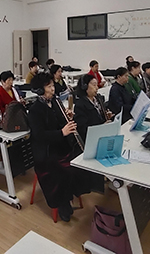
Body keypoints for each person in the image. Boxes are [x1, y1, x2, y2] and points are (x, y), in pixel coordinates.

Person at [27, 72, 92, 222]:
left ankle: (73, 192)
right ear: (40, 90)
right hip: (46, 152)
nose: (53, 89)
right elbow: (40, 135)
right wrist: (62, 132)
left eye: (52, 85)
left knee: (79, 163)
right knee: (64, 170)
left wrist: (67, 117)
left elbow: (59, 123)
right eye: (49, 86)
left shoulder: (55, 102)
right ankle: (63, 202)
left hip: (59, 146)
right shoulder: (35, 110)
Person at [74, 74, 112, 142]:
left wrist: (106, 117)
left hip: (103, 135)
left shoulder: (98, 99)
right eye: (94, 85)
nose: (97, 88)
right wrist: (102, 127)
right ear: (85, 87)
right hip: (92, 139)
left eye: (97, 85)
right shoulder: (80, 105)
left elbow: (100, 119)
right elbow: (83, 130)